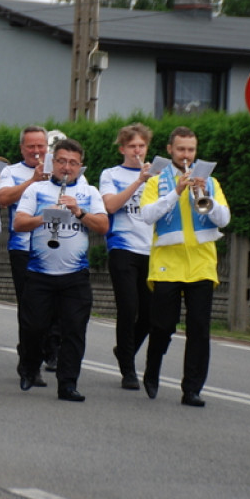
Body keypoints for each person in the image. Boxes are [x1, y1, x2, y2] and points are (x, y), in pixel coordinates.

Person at [140, 126, 230, 407]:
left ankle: (192, 389)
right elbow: (147, 215)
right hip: (168, 263)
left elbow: (224, 219)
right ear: (170, 150)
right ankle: (152, 368)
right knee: (163, 325)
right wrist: (175, 192)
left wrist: (205, 195)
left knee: (199, 329)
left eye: (191, 150)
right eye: (181, 149)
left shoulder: (210, 182)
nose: (186, 155)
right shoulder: (157, 182)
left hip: (202, 264)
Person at [13, 138, 108, 402]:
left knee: (74, 331)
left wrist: (78, 212)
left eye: (73, 163)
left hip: (74, 276)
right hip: (39, 274)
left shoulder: (90, 192)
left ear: (80, 167)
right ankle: (29, 367)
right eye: (62, 161)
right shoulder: (37, 190)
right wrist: (45, 215)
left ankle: (67, 384)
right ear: (52, 163)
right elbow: (19, 223)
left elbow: (102, 226)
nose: (67, 167)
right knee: (33, 328)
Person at [0, 126, 54, 387]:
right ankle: (30, 362)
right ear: (22, 149)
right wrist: (33, 181)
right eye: (31, 146)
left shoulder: (60, 168)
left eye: (40, 146)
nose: (36, 151)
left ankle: (47, 351)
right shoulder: (11, 172)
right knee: (30, 309)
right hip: (23, 248)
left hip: (55, 248)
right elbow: (2, 198)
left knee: (55, 309)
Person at [99, 123, 154, 391]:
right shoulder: (111, 174)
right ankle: (128, 371)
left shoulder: (159, 176)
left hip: (151, 250)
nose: (137, 150)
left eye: (141, 146)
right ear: (122, 148)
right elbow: (110, 205)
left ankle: (124, 350)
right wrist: (138, 182)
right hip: (122, 247)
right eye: (132, 146)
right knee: (128, 307)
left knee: (150, 313)